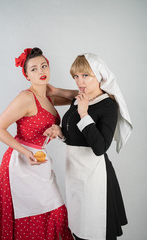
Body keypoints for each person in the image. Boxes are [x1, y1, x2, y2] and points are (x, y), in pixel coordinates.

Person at [44, 53, 133, 240]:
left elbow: (99, 147)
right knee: (78, 230)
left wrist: (84, 114)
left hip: (96, 179)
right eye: (76, 76)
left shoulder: (108, 106)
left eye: (85, 75)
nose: (79, 81)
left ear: (99, 75)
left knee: (96, 231)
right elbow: (75, 138)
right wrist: (61, 133)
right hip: (75, 175)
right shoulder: (78, 99)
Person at [0, 47, 77, 240]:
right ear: (27, 75)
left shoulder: (49, 97)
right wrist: (24, 152)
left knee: (56, 214)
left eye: (44, 66)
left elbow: (80, 97)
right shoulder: (25, 98)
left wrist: (56, 90)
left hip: (40, 160)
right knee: (30, 214)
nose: (41, 71)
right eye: (34, 69)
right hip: (19, 162)